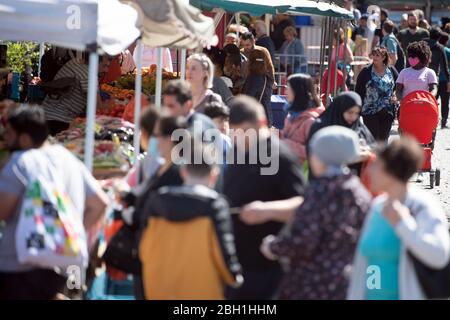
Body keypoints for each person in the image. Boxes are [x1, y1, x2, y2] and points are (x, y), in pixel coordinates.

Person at [0, 106, 108, 300]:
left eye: (8, 134)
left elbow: (3, 211)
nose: (5, 140)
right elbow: (100, 203)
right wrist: (69, 236)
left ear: (24, 138)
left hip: (18, 264)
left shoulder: (20, 161)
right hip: (61, 267)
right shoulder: (69, 159)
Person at [259, 126, 371, 299]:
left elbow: (303, 239)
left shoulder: (319, 191)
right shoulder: (359, 192)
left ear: (323, 158)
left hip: (312, 283)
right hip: (348, 282)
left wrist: (272, 246)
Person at [223, 95, 305, 300]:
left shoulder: (280, 156)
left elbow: (304, 205)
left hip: (269, 267)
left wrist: (266, 210)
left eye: (243, 132)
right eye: (234, 133)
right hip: (235, 264)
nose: (238, 138)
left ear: (260, 124)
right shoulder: (238, 152)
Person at [347, 137, 450, 300]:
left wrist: (403, 224)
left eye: (375, 166)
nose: (368, 171)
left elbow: (439, 255)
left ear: (391, 171)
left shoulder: (421, 206)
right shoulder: (377, 206)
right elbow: (364, 264)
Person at [138, 141, 243, 299]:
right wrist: (234, 276)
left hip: (159, 287)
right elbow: (222, 252)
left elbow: (144, 246)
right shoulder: (214, 206)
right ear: (214, 175)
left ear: (183, 171)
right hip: (202, 290)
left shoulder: (156, 201)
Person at [308, 92, 375, 177]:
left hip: (354, 183)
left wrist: (368, 153)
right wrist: (353, 156)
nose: (353, 117)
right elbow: (316, 156)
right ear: (340, 109)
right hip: (325, 182)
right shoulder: (320, 126)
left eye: (356, 113)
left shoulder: (359, 127)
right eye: (350, 112)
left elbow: (373, 147)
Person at [42, 55, 111, 135]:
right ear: (94, 62)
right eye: (104, 66)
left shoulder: (74, 61)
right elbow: (98, 107)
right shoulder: (89, 75)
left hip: (45, 114)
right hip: (60, 121)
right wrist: (113, 101)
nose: (106, 70)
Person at [355, 47, 398, 142]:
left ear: (384, 57)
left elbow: (398, 85)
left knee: (384, 140)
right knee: (372, 139)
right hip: (370, 111)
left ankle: (382, 157)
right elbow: (358, 90)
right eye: (373, 54)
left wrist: (395, 95)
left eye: (377, 55)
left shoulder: (390, 70)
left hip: (387, 111)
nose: (374, 57)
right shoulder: (366, 71)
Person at [280, 73, 324, 165]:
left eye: (289, 88)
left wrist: (285, 144)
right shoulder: (290, 115)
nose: (285, 92)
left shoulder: (311, 121)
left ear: (298, 91)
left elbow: (315, 153)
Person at [242, 49, 274, 127]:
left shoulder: (254, 78)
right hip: (267, 118)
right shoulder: (267, 78)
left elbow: (248, 99)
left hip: (256, 120)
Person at [425, 27, 450, 100]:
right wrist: (448, 80)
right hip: (434, 77)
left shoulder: (422, 44)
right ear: (439, 37)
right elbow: (444, 66)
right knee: (434, 100)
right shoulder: (440, 47)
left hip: (421, 76)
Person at [438, 32, 450, 128]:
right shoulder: (447, 51)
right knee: (445, 102)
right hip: (445, 79)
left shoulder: (435, 49)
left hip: (435, 79)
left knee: (433, 99)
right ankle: (444, 121)